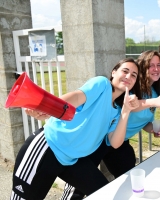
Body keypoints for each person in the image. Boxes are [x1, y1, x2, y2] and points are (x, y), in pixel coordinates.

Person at [10, 58, 141, 199]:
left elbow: (115, 142)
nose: (128, 76)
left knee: (103, 194)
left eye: (134, 75)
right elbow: (77, 97)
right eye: (125, 71)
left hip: (72, 160)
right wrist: (50, 108)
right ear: (114, 72)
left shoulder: (117, 111)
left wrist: (126, 111)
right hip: (48, 148)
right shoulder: (102, 84)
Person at [61, 50, 160, 199]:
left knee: (130, 176)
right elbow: (131, 104)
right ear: (142, 68)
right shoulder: (132, 85)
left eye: (159, 65)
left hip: (119, 141)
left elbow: (144, 121)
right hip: (101, 139)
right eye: (151, 65)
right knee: (79, 185)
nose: (156, 69)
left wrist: (152, 129)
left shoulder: (155, 91)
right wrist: (153, 102)